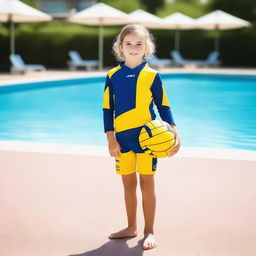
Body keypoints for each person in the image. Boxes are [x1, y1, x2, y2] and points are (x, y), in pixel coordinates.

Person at [102, 24, 181, 250]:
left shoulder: (152, 76)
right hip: (122, 141)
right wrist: (110, 138)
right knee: (128, 185)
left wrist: (175, 131)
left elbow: (163, 106)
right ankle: (130, 227)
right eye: (129, 43)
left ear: (147, 47)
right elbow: (107, 109)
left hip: (147, 142)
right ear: (120, 46)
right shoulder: (112, 76)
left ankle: (149, 231)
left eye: (139, 44)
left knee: (147, 184)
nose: (134, 48)